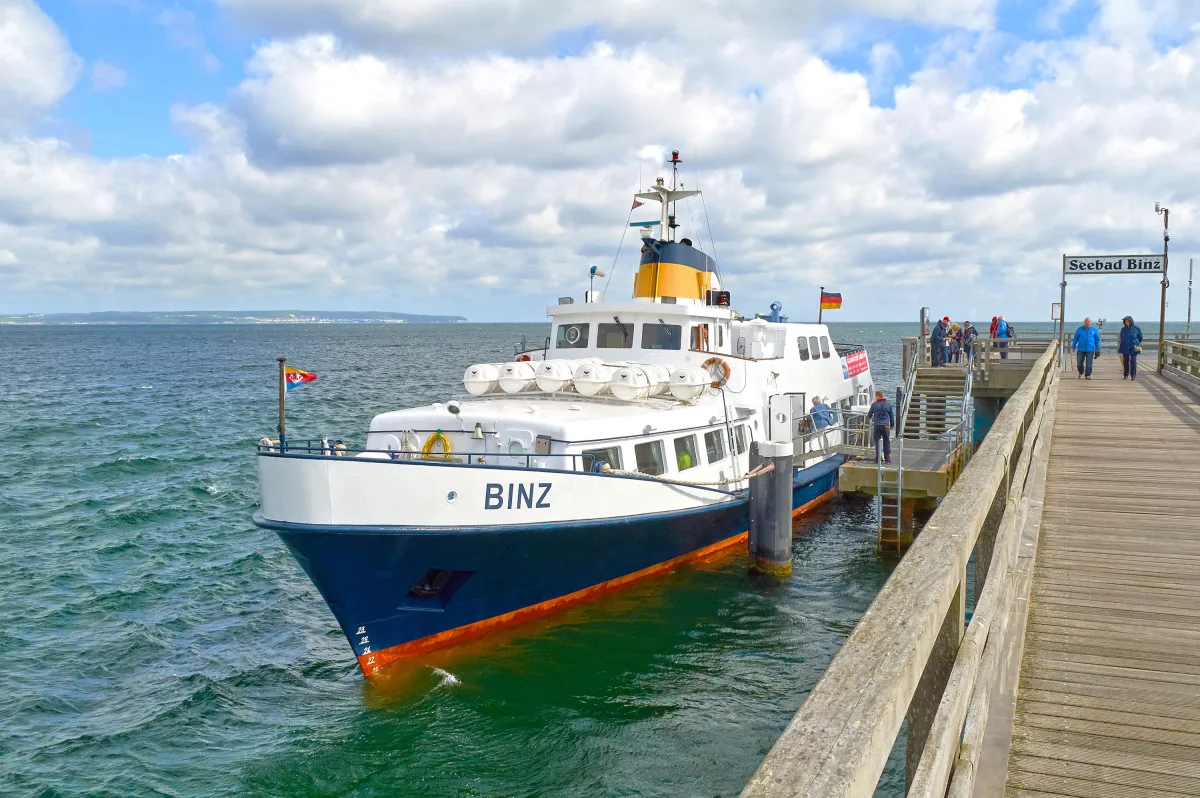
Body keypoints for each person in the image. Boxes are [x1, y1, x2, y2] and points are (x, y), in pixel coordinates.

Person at [865, 390, 894, 464]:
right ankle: (887, 459)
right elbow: (892, 416)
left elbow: (869, 416)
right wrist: (892, 425)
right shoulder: (888, 405)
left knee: (877, 442)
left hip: (877, 426)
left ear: (877, 396)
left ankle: (877, 459)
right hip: (886, 426)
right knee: (886, 442)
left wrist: (869, 423)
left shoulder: (874, 405)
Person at [1118, 315, 1143, 380]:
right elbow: (1121, 337)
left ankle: (1133, 375)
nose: (1126, 322)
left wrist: (1137, 343)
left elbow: (1140, 337)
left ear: (1131, 321)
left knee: (1133, 361)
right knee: (1125, 361)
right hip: (1125, 347)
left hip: (1133, 347)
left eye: (1128, 321)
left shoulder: (1136, 328)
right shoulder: (1123, 329)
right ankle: (1126, 375)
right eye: (1125, 321)